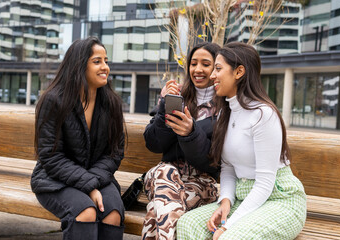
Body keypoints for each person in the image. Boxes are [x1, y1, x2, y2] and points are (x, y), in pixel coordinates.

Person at [177, 42, 307, 240]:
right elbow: (228, 168)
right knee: (188, 225)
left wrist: (229, 226)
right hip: (241, 197)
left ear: (239, 72)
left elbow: (265, 184)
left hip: (279, 199)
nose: (212, 75)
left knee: (229, 238)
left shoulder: (263, 115)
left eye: (218, 69)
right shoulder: (224, 114)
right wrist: (225, 202)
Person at [31, 36, 125, 240]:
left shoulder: (112, 103)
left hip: (99, 176)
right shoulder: (54, 101)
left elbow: (115, 152)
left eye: (106, 61)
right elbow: (50, 157)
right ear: (79, 65)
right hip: (54, 178)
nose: (105, 67)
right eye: (97, 61)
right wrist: (89, 186)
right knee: (86, 212)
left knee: (112, 214)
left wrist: (92, 182)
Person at [142, 42, 221, 240]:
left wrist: (189, 134)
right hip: (163, 176)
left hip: (202, 183)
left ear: (217, 68)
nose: (198, 69)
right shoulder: (177, 97)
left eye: (205, 64)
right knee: (166, 172)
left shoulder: (225, 108)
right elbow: (153, 144)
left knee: (156, 210)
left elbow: (214, 162)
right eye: (193, 64)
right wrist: (164, 108)